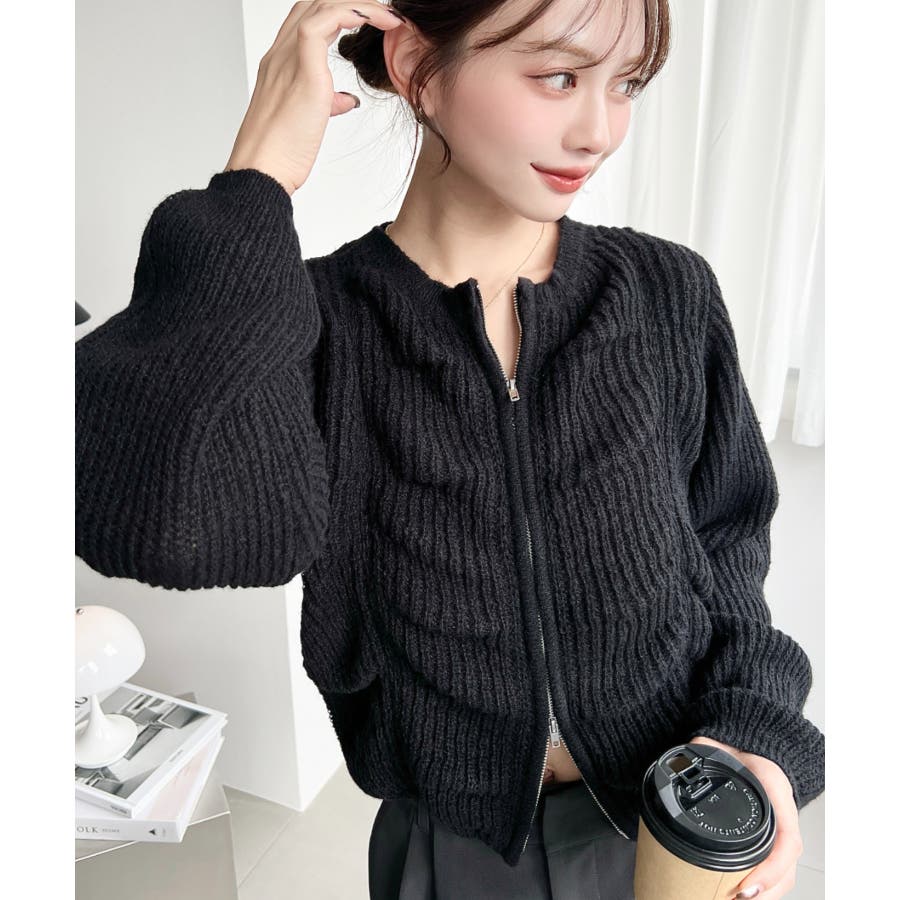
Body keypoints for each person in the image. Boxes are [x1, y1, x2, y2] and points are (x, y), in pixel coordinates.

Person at [74, 1, 825, 898]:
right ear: (417, 67)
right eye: (559, 75)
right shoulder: (321, 328)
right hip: (450, 848)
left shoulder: (666, 293)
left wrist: (754, 735)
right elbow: (170, 524)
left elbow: (728, 545)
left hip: (670, 823)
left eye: (625, 84)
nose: (599, 130)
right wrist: (255, 181)